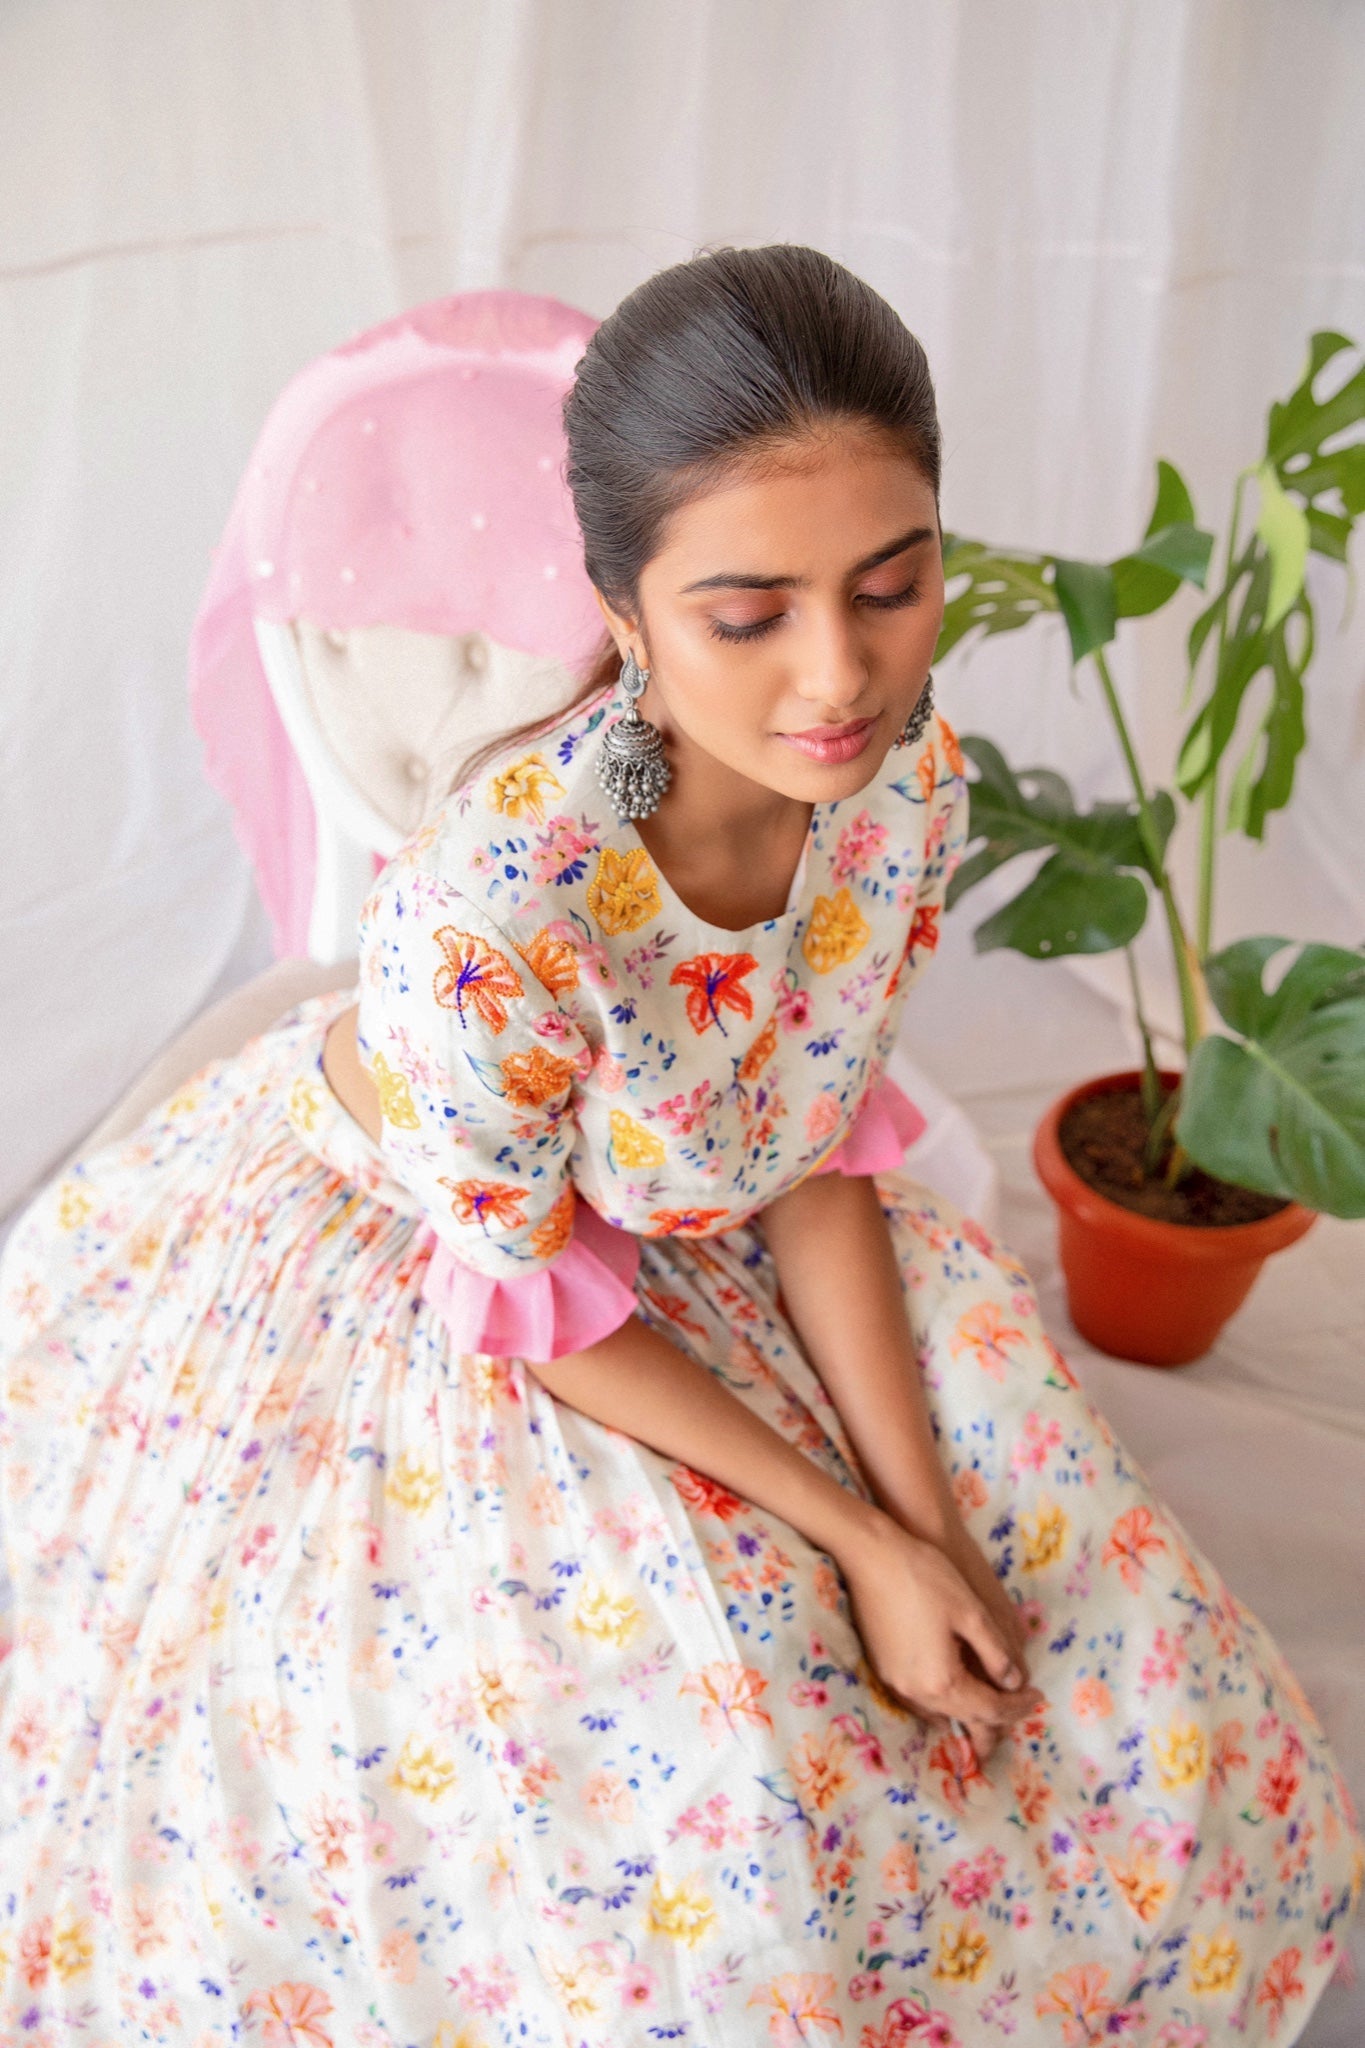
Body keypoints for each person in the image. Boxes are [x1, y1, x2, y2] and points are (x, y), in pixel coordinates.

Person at [0, 245, 1357, 2048]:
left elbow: (806, 1150)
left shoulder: (905, 786)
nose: (838, 677)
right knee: (691, 1854)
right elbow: (538, 1297)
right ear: (623, 615)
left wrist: (925, 1521)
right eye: (748, 614)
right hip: (480, 1290)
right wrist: (845, 1540)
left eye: (893, 584)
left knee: (1096, 1665)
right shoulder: (497, 911)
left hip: (717, 1218)